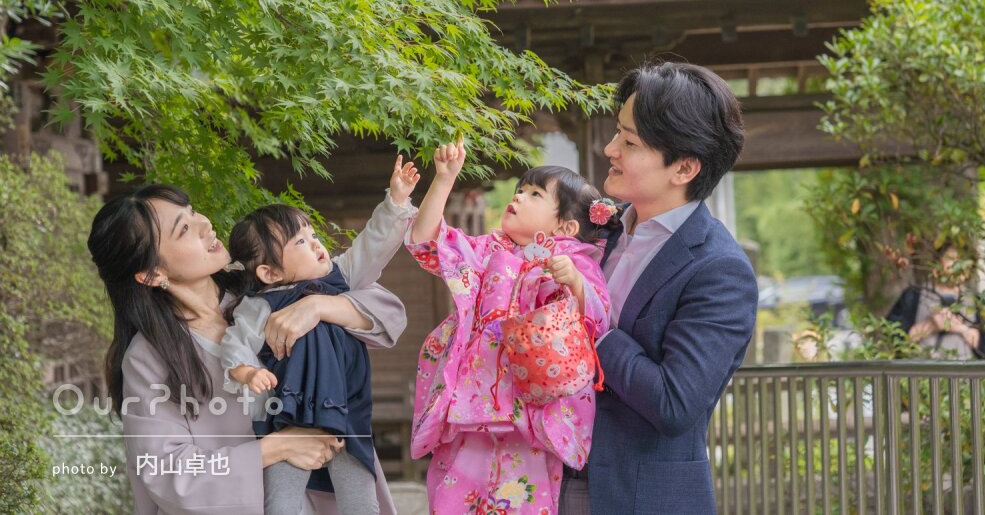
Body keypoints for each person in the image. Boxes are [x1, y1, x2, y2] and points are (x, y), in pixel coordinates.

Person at [87, 160, 414, 514]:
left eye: (194, 211)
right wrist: (276, 448)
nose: (204, 223)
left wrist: (318, 307)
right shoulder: (149, 358)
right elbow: (166, 471)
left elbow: (389, 313)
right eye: (183, 229)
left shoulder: (263, 292)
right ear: (151, 274)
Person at [560, 61, 759, 515]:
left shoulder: (719, 270)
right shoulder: (596, 232)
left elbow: (673, 402)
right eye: (617, 132)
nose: (610, 148)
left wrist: (597, 327)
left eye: (629, 142)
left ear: (684, 167)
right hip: (549, 480)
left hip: (639, 496)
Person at [406, 140, 613, 514]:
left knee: (522, 503)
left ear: (565, 225)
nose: (518, 197)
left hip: (529, 413)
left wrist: (576, 283)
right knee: (452, 500)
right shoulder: (489, 251)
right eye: (519, 189)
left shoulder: (573, 261)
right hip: (470, 406)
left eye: (534, 193)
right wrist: (444, 179)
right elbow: (427, 242)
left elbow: (597, 319)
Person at [219, 158, 420, 515]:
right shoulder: (259, 305)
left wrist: (396, 202)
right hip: (288, 413)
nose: (315, 244)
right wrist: (248, 372)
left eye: (312, 234)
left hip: (345, 407)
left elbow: (372, 244)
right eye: (301, 241)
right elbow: (236, 341)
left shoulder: (341, 277)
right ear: (269, 271)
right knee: (281, 497)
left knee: (359, 493)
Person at [887, 245, 985, 359]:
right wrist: (930, 325)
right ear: (937, 265)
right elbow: (892, 341)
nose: (957, 264)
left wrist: (961, 328)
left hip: (965, 375)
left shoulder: (979, 303)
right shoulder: (913, 295)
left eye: (962, 260)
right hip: (920, 374)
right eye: (951, 258)